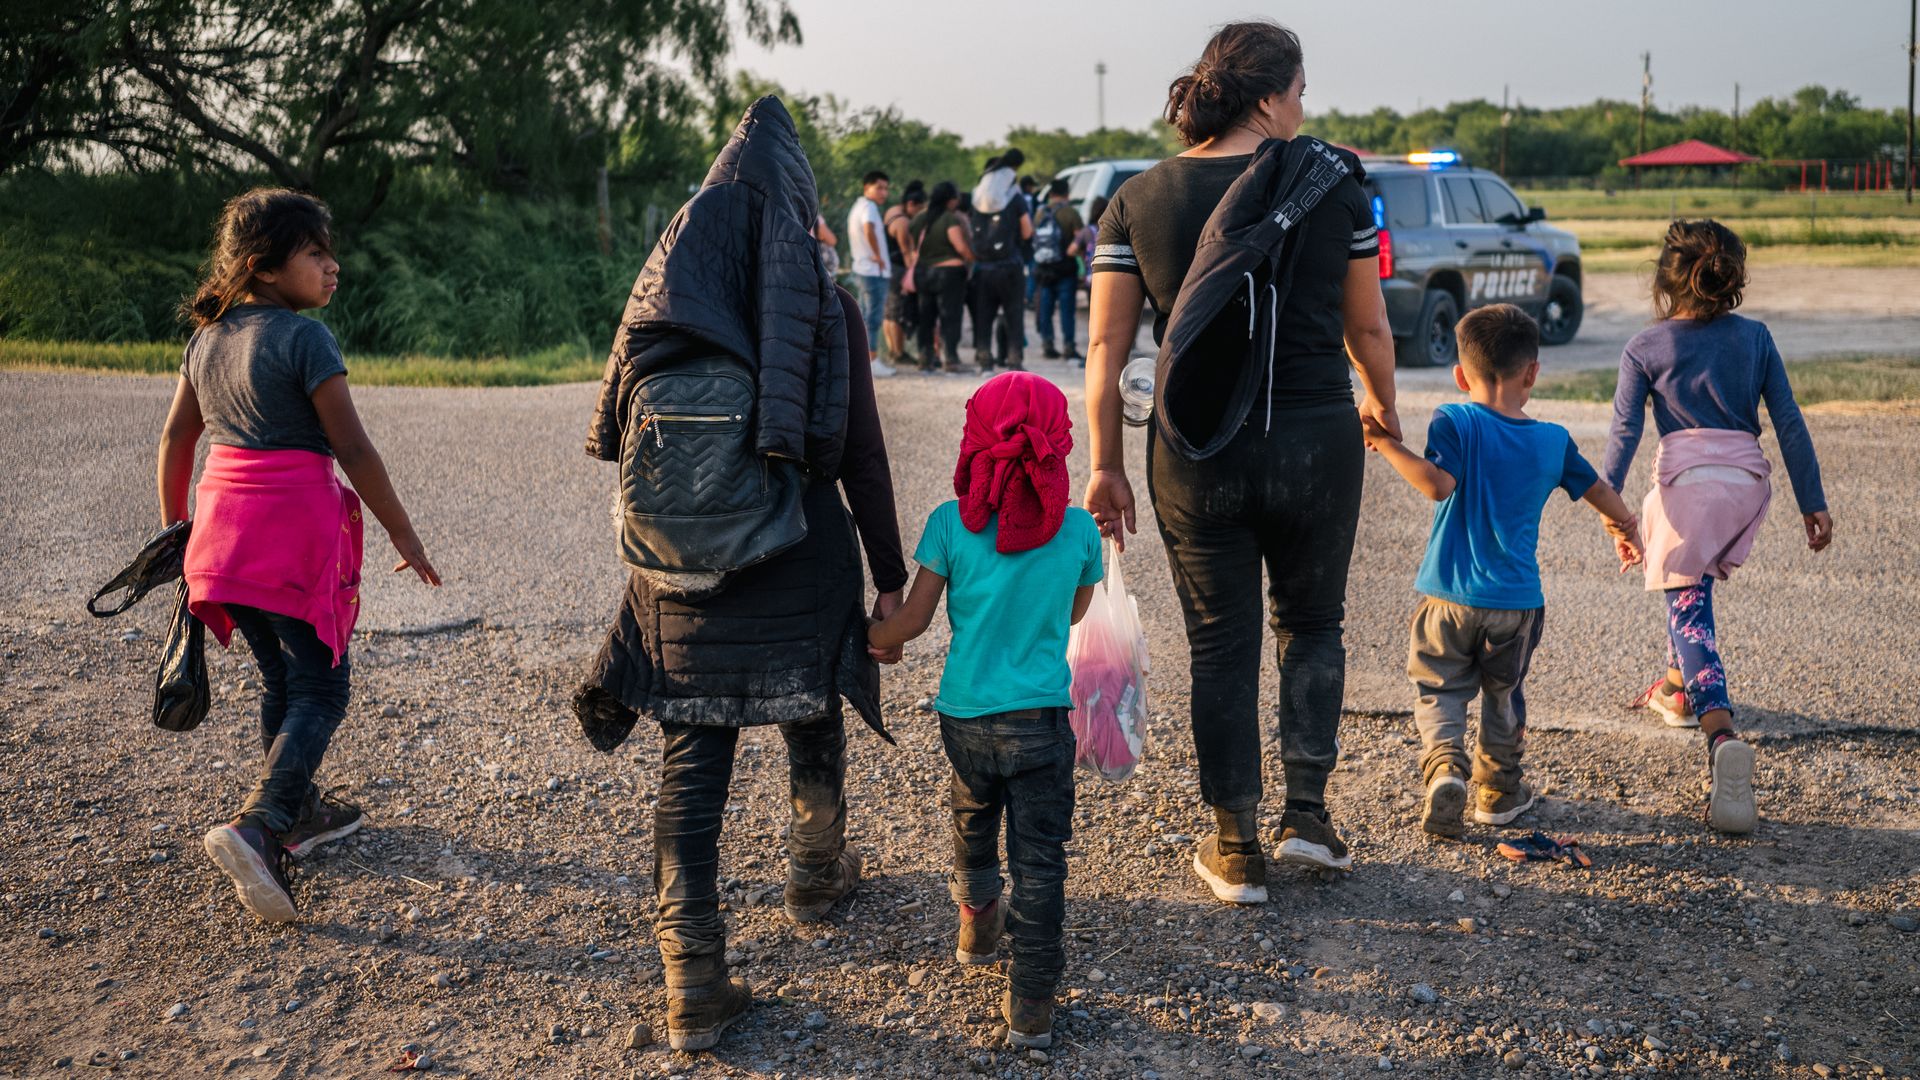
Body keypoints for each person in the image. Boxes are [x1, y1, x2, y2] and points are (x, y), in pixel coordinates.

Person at [576, 97, 906, 1052]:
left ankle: (693, 972)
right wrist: (889, 580)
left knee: (694, 758)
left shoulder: (659, 316)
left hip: (674, 574)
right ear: (800, 206)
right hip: (799, 556)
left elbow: (615, 444)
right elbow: (861, 457)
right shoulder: (825, 308)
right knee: (812, 706)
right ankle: (814, 872)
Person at [1082, 20, 1400, 902]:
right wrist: (1384, 401)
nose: (1306, 106)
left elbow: (1105, 356)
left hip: (1194, 452)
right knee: (1313, 624)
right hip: (1315, 443)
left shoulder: (1137, 199)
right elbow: (1368, 327)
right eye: (1300, 90)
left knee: (1220, 647)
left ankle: (1236, 846)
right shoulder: (1334, 186)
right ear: (1268, 96)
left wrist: (1104, 464)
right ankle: (1308, 817)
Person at [154, 188, 440, 923]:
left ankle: (300, 808)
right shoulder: (305, 340)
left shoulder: (207, 338)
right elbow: (351, 446)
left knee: (283, 675)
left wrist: (176, 532)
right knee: (323, 689)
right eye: (316, 252)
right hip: (288, 541)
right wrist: (405, 533)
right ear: (266, 266)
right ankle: (261, 826)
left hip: (219, 541)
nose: (332, 265)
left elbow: (176, 441)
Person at [867, 371, 1103, 1051]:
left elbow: (911, 620)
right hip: (1041, 722)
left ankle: (976, 926)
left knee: (972, 818)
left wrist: (872, 640)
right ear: (1058, 444)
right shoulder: (1080, 531)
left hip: (966, 717)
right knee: (1041, 858)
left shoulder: (950, 524)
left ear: (975, 440)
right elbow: (1073, 612)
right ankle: (1032, 1002)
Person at [1362, 305, 1643, 838]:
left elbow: (1437, 483)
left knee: (1439, 691)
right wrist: (1625, 525)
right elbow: (1599, 490)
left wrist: (1384, 442)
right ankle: (1498, 791)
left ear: (1461, 376)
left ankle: (1446, 769)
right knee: (1502, 694)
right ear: (1532, 373)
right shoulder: (1553, 440)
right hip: (1515, 602)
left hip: (1445, 596)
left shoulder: (1455, 419)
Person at [1601, 220, 1832, 835]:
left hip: (1688, 489)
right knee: (1691, 583)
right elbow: (1788, 421)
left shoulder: (1644, 348)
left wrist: (1610, 504)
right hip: (1746, 487)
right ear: (1732, 280)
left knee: (1689, 605)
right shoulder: (1755, 338)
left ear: (1664, 279)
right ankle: (1677, 687)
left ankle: (1721, 737)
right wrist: (1813, 500)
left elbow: (1624, 433)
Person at [969, 150, 1034, 370]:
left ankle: (985, 360)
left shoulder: (976, 199)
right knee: (1013, 314)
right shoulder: (1014, 197)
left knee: (984, 316)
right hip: (1010, 267)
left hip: (984, 267)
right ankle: (1014, 361)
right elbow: (1027, 231)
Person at [911, 180, 973, 372]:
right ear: (950, 199)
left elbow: (911, 243)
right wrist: (972, 258)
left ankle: (925, 358)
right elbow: (960, 247)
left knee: (926, 317)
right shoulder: (949, 219)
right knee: (950, 316)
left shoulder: (919, 219)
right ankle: (951, 359)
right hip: (949, 273)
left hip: (923, 272)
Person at [847, 169, 896, 377]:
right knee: (873, 318)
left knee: (865, 316)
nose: (883, 192)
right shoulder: (869, 208)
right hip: (873, 270)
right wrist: (877, 255)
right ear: (867, 187)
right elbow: (868, 229)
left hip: (862, 269)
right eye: (880, 187)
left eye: (886, 188)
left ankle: (863, 361)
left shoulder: (858, 207)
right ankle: (872, 361)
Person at [1032, 179, 1086, 361]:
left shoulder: (1040, 213)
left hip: (1044, 268)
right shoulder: (1071, 212)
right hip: (1065, 268)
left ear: (1050, 194)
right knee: (1066, 310)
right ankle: (1068, 347)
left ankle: (1047, 344)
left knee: (1045, 307)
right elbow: (1079, 241)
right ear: (1066, 193)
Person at [884, 181, 927, 367]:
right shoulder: (903, 222)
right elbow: (906, 252)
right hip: (897, 269)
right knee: (896, 312)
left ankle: (894, 350)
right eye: (919, 209)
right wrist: (913, 275)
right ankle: (898, 352)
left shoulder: (892, 211)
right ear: (912, 204)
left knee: (888, 313)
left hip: (888, 267)